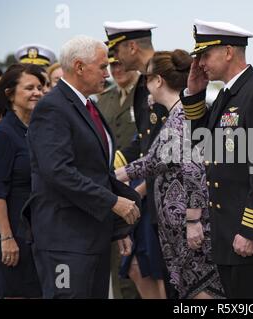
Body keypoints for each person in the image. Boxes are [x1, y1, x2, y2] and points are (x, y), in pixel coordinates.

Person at [25, 35, 141, 299]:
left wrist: (116, 225)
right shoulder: (53, 108)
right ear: (79, 67)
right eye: (102, 67)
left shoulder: (86, 105)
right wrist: (114, 202)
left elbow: (98, 171)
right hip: (64, 239)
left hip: (90, 236)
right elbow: (57, 171)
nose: (107, 73)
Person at [180, 19, 253, 298]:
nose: (200, 62)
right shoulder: (230, 94)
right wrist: (194, 95)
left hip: (249, 236)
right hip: (228, 233)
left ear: (228, 52)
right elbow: (203, 147)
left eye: (205, 54)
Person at [116, 49, 224, 299]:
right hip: (177, 228)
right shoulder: (177, 113)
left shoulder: (182, 116)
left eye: (146, 78)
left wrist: (193, 220)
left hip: (190, 227)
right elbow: (155, 162)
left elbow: (191, 168)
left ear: (158, 80)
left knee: (204, 294)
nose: (145, 84)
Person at [104, 20, 174, 298]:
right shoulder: (147, 79)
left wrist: (137, 187)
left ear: (132, 47)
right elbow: (145, 139)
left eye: (117, 50)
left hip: (164, 192)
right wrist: (112, 167)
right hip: (147, 187)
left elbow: (171, 146)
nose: (116, 60)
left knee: (161, 274)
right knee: (138, 267)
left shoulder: (164, 75)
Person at [0, 64, 45, 298]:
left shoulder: (38, 128)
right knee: (17, 291)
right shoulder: (4, 134)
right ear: (10, 94)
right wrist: (7, 238)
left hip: (39, 228)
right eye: (29, 87)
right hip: (13, 230)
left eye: (41, 87)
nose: (37, 92)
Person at [98, 47, 142, 299]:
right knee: (119, 261)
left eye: (120, 64)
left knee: (144, 265)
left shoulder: (147, 93)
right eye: (111, 66)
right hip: (112, 187)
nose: (116, 70)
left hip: (142, 186)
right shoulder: (104, 98)